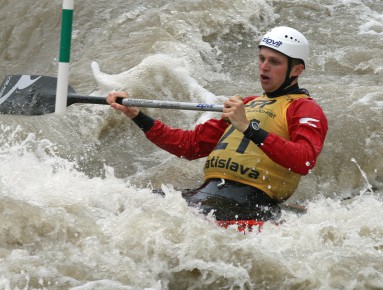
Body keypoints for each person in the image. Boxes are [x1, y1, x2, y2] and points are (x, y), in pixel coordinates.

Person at [106, 26, 328, 231]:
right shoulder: (246, 104)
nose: (264, 67)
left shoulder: (304, 108)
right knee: (120, 205)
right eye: (261, 59)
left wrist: (248, 128)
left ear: (296, 70)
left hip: (248, 203)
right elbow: (189, 145)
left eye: (274, 62)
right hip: (206, 194)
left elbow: (304, 160)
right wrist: (136, 115)